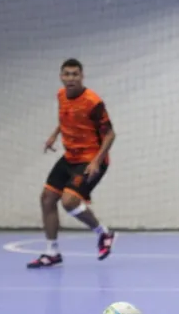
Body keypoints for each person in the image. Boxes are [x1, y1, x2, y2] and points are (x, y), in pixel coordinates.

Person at [27, 58, 116, 268]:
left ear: (82, 77)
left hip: (91, 159)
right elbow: (66, 118)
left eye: (75, 74)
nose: (71, 78)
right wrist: (53, 135)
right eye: (67, 74)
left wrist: (96, 161)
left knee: (69, 202)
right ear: (61, 77)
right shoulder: (61, 95)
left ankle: (103, 233)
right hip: (70, 157)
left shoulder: (93, 102)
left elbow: (110, 134)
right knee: (47, 199)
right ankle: (52, 252)